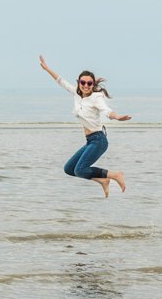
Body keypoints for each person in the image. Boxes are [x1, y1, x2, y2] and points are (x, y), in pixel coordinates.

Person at [39, 56, 132, 198]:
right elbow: (61, 81)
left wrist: (117, 117)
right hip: (90, 141)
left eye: (89, 83)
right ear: (79, 83)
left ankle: (115, 175)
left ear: (93, 84)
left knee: (80, 170)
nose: (86, 85)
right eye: (83, 82)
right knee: (69, 169)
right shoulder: (77, 94)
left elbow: (106, 110)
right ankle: (102, 180)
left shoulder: (96, 97)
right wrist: (47, 69)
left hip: (99, 140)